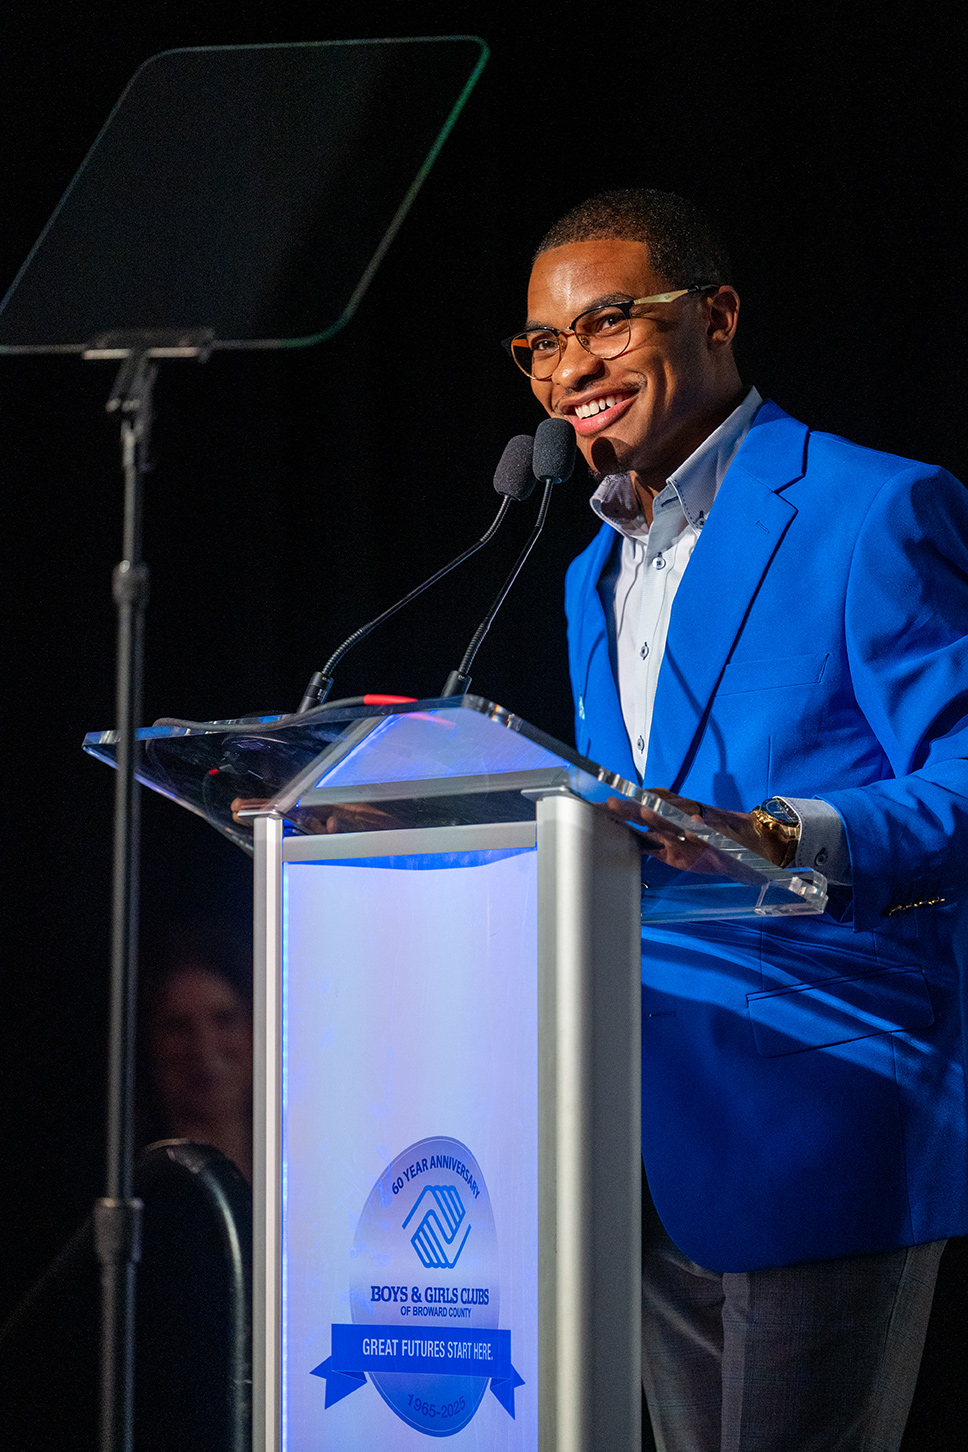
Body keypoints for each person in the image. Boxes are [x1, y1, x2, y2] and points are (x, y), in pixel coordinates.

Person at [505, 188, 968, 1451]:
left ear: (715, 315)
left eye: (605, 323)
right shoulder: (584, 571)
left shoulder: (871, 509)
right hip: (642, 1113)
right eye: (542, 343)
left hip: (824, 1092)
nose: (570, 369)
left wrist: (779, 831)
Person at [140, 923, 254, 1184]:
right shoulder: (134, 1186)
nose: (204, 1048)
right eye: (178, 1027)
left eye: (225, 1020)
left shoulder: (304, 1172)